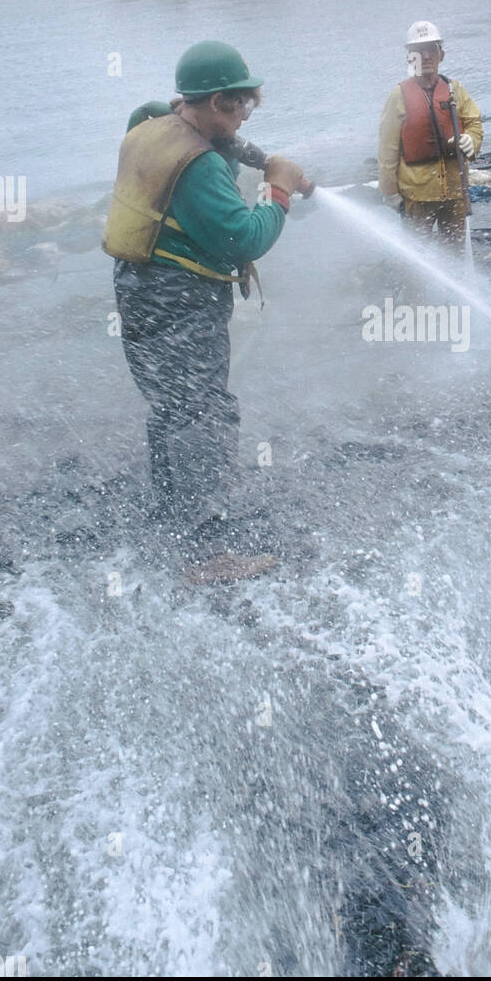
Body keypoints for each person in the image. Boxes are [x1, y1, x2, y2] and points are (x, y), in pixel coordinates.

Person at [102, 40, 304, 579]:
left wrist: (260, 158)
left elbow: (201, 135)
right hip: (180, 298)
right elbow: (242, 238)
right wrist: (279, 191)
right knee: (205, 414)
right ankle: (205, 554)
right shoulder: (200, 168)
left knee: (171, 406)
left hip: (136, 287)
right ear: (217, 102)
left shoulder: (150, 121)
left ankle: (171, 514)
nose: (245, 115)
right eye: (241, 106)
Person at [378, 21, 483, 247]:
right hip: (417, 196)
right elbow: (387, 150)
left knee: (454, 254)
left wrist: (471, 141)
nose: (425, 57)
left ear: (441, 54)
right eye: (418, 51)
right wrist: (390, 192)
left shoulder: (456, 90)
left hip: (455, 192)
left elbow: (474, 123)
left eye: (431, 50)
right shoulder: (398, 96)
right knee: (417, 257)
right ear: (409, 57)